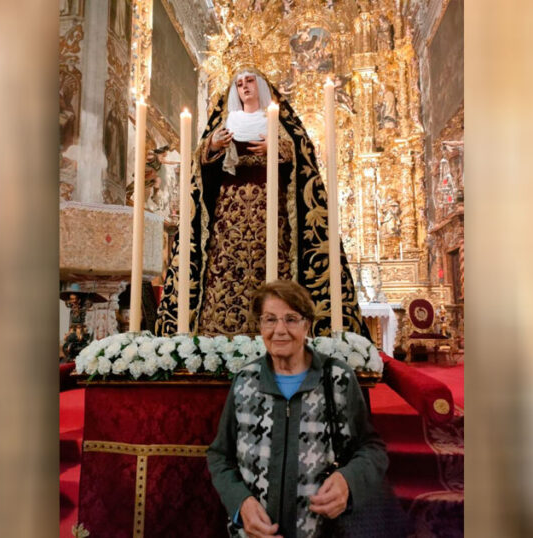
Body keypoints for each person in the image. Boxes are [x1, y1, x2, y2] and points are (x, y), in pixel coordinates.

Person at [155, 67, 369, 338]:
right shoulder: (225, 122)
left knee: (271, 274)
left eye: (250, 81)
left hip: (270, 214)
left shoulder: (278, 122)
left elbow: (304, 160)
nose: (245, 87)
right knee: (225, 273)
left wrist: (279, 148)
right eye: (239, 83)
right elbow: (201, 176)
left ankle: (277, 335)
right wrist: (211, 146)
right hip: (228, 217)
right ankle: (220, 336)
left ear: (261, 85)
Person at [206, 280, 388, 537]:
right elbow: (220, 456)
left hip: (325, 531)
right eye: (270, 319)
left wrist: (349, 481)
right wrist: (240, 504)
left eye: (291, 319)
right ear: (260, 326)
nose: (279, 330)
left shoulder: (337, 378)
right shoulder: (246, 381)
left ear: (307, 325)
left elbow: (372, 449)